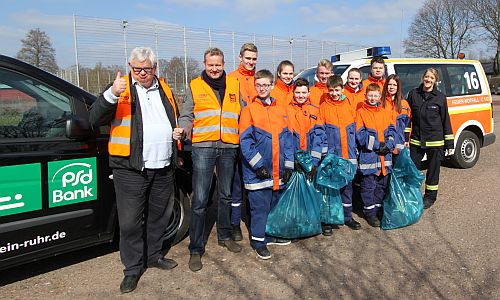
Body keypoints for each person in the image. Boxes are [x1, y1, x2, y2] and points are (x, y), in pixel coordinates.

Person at [89, 47, 179, 293]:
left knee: (159, 216)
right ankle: (132, 269)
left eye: (146, 69)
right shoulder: (119, 88)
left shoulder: (165, 88)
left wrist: (176, 135)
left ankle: (153, 256)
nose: (141, 73)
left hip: (162, 165)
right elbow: (94, 118)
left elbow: (173, 117)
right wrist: (111, 94)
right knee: (129, 223)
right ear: (130, 67)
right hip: (130, 169)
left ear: (155, 68)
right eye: (136, 69)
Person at [177, 47, 243, 272]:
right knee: (200, 199)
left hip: (228, 147)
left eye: (218, 65)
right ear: (204, 64)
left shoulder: (235, 85)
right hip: (203, 147)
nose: (214, 69)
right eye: (210, 65)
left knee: (225, 195)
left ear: (224, 64)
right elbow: (187, 115)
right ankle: (196, 248)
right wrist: (184, 130)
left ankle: (224, 236)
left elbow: (242, 114)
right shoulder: (195, 85)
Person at [239, 69, 294, 260]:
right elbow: (245, 142)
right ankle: (258, 241)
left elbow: (287, 140)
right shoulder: (248, 110)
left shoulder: (280, 110)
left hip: (277, 170)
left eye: (265, 85)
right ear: (255, 86)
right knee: (259, 207)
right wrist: (258, 165)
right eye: (258, 85)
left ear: (272, 85)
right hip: (258, 172)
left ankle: (268, 235)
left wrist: (288, 165)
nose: (262, 88)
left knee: (273, 205)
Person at [406, 68, 454, 209]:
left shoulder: (440, 97)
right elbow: (408, 118)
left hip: (436, 141)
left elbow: (446, 121)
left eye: (431, 78)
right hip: (416, 140)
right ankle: (412, 195)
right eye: (427, 77)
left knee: (433, 172)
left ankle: (430, 197)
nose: (428, 80)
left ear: (435, 80)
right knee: (413, 170)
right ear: (423, 78)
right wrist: (405, 137)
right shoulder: (413, 94)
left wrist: (449, 144)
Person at [320, 75, 362, 233]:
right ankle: (328, 220)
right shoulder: (323, 107)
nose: (334, 93)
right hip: (332, 155)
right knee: (330, 188)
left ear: (342, 89)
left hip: (348, 154)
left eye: (337, 90)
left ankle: (347, 216)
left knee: (347, 187)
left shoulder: (349, 106)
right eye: (331, 90)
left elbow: (355, 131)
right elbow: (321, 133)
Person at [228, 43, 258, 241]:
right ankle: (234, 223)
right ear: (240, 57)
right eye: (248, 58)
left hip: (255, 139)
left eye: (254, 59)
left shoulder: (259, 80)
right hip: (235, 138)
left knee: (254, 182)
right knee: (236, 184)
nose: (251, 62)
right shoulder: (231, 79)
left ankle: (254, 219)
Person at [355, 83, 396, 227]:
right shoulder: (361, 112)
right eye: (370, 95)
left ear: (380, 96)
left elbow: (392, 130)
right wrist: (379, 145)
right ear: (365, 96)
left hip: (385, 158)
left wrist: (390, 144)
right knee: (368, 186)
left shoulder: (384, 111)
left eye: (375, 95)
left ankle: (378, 209)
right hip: (370, 158)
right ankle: (370, 213)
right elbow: (360, 135)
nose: (373, 98)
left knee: (382, 186)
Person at [286, 77, 326, 174]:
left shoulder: (315, 111)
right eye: (298, 92)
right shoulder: (286, 111)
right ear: (293, 93)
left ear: (309, 93)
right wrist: (291, 162)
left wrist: (315, 163)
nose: (300, 96)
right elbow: (285, 140)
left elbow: (319, 137)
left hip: (311, 163)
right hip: (293, 163)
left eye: (304, 93)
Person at [381, 74, 411, 161]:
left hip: (399, 143)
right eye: (390, 84)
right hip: (384, 143)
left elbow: (408, 125)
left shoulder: (404, 104)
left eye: (394, 85)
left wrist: (406, 140)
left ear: (398, 87)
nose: (392, 87)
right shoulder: (380, 102)